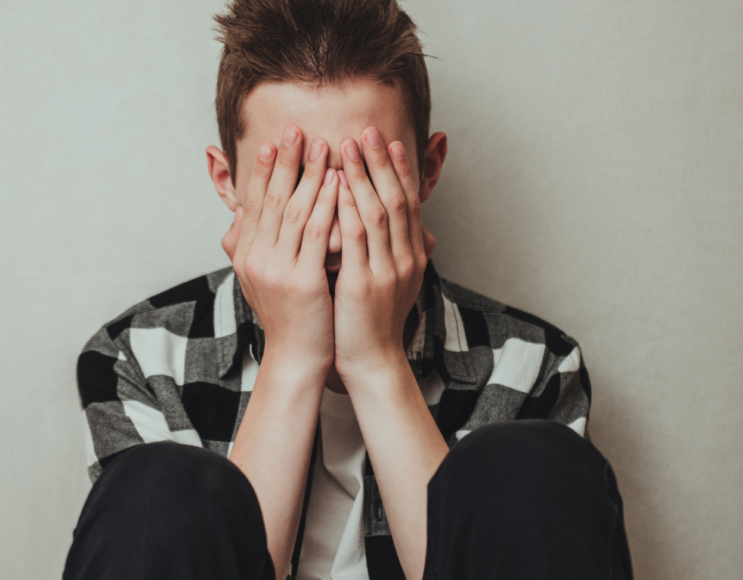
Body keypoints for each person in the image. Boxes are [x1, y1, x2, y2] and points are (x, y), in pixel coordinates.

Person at [63, 1, 633, 579]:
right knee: (159, 487)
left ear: (426, 170)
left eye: (365, 177)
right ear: (227, 181)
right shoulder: (135, 356)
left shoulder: (532, 366)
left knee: (527, 465)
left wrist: (376, 361)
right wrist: (292, 357)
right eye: (295, 182)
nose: (330, 226)